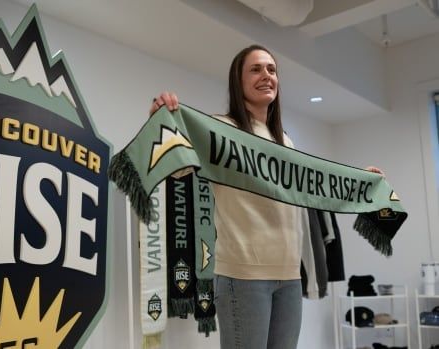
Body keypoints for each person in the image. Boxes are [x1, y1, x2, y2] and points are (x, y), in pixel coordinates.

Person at [149, 44, 384, 349]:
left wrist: (360, 182)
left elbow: (310, 192)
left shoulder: (285, 140)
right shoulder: (222, 128)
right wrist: (161, 124)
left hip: (288, 277)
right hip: (243, 277)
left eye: (271, 69)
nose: (266, 76)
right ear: (239, 80)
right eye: (256, 69)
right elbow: (178, 168)